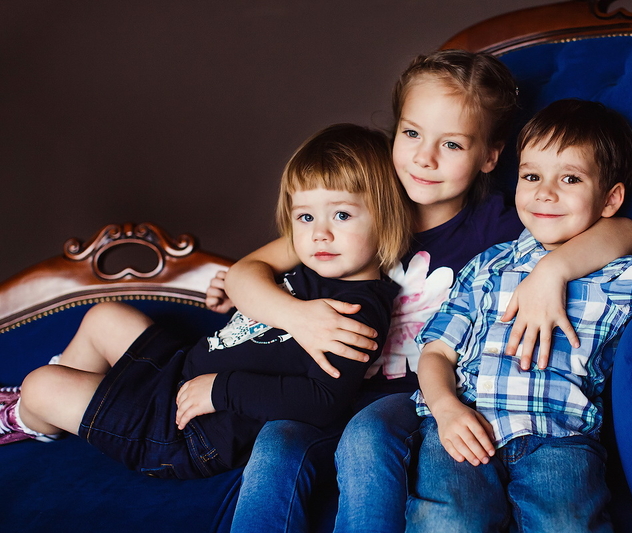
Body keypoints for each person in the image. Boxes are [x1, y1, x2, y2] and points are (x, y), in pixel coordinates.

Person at [213, 50, 632, 532]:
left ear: (490, 156)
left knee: (369, 433)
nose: (424, 157)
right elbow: (245, 273)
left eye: (452, 144)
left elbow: (625, 232)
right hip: (324, 386)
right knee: (275, 440)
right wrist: (293, 314)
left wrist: (554, 270)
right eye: (412, 133)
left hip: (415, 395)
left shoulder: (501, 226)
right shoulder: (361, 207)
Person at [406, 99, 632, 532]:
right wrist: (444, 408)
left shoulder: (618, 273)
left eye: (570, 178)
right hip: (462, 427)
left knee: (566, 523)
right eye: (531, 176)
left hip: (558, 441)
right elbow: (436, 351)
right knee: (448, 521)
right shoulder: (489, 265)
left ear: (610, 199)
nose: (545, 193)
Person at [0, 124, 410, 482]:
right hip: (182, 374)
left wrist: (220, 390)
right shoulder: (314, 266)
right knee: (105, 317)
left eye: (341, 215)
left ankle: (25, 417)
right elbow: (267, 330)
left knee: (42, 386)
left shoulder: (359, 311)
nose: (320, 233)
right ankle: (65, 401)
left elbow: (322, 402)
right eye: (305, 217)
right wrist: (240, 303)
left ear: (385, 217)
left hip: (189, 433)